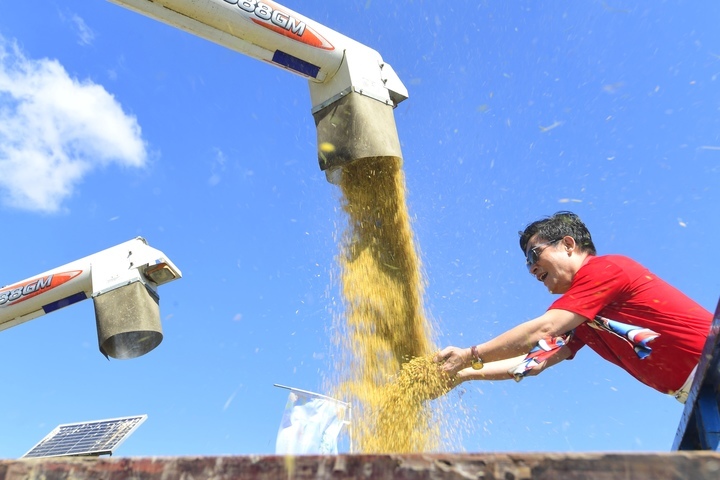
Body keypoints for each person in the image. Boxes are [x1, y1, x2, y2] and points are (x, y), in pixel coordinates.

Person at [434, 211, 713, 403]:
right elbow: (532, 363)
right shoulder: (580, 318)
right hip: (700, 392)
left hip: (713, 365)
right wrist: (464, 374)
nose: (532, 268)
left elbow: (543, 329)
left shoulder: (604, 270)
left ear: (568, 244)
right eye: (527, 264)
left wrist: (470, 354)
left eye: (535, 254)